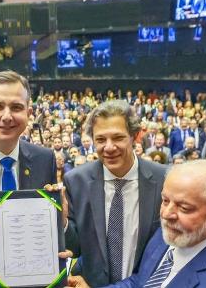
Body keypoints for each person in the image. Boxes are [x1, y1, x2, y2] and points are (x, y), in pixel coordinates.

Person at [65, 160, 206, 288]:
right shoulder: (172, 232)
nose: (166, 214)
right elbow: (139, 282)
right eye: (165, 200)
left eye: (184, 208)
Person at [61, 100, 167, 286]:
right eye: (101, 139)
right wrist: (62, 222)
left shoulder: (163, 179)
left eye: (118, 138)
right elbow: (75, 248)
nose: (109, 147)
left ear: (135, 136)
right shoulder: (76, 181)